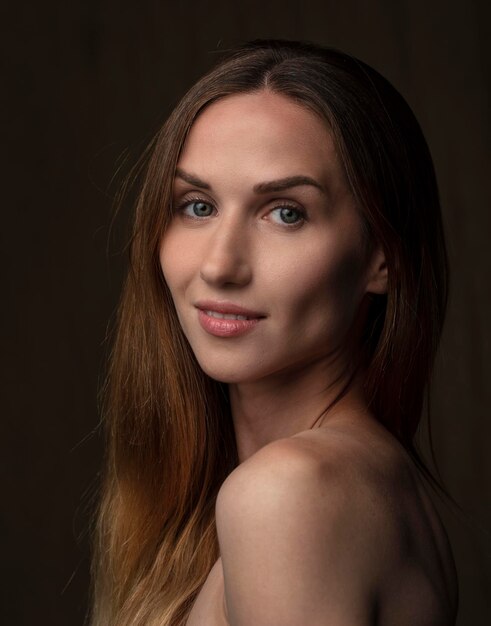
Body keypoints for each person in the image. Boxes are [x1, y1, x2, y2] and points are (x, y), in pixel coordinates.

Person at [90, 39, 459, 625]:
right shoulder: (369, 482)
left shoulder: (289, 496)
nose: (219, 266)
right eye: (198, 206)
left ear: (381, 257)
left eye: (285, 212)